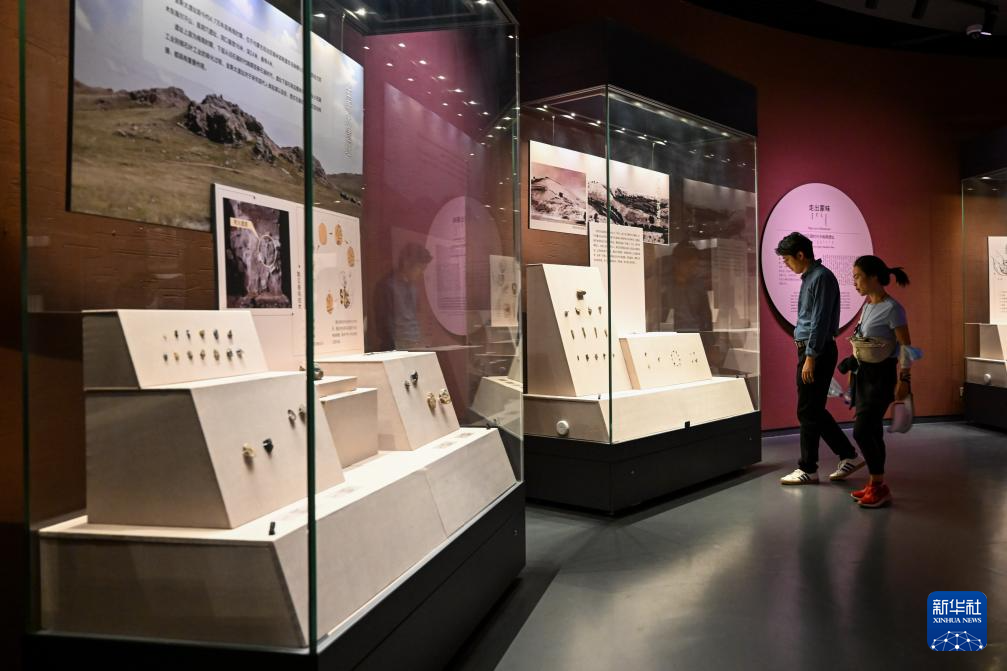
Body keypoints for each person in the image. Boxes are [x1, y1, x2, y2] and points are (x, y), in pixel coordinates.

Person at [775, 232, 863, 485]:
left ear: (801, 255)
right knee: (812, 409)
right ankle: (848, 455)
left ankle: (808, 468)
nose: (786, 264)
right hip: (812, 350)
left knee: (807, 410)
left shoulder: (821, 277)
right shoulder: (812, 277)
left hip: (816, 351)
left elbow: (820, 321)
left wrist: (811, 355)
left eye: (787, 259)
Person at [846, 256, 913, 508]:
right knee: (873, 430)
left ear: (874, 277)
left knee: (862, 430)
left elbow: (906, 346)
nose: (855, 282)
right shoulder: (867, 306)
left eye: (858, 277)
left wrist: (905, 379)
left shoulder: (893, 308)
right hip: (864, 376)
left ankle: (879, 485)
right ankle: (876, 484)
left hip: (882, 377)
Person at [372, 242, 433, 351]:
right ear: (406, 263)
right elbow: (383, 324)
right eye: (420, 268)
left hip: (414, 344)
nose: (422, 273)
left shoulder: (413, 288)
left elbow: (416, 317)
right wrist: (393, 347)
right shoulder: (386, 286)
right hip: (396, 347)